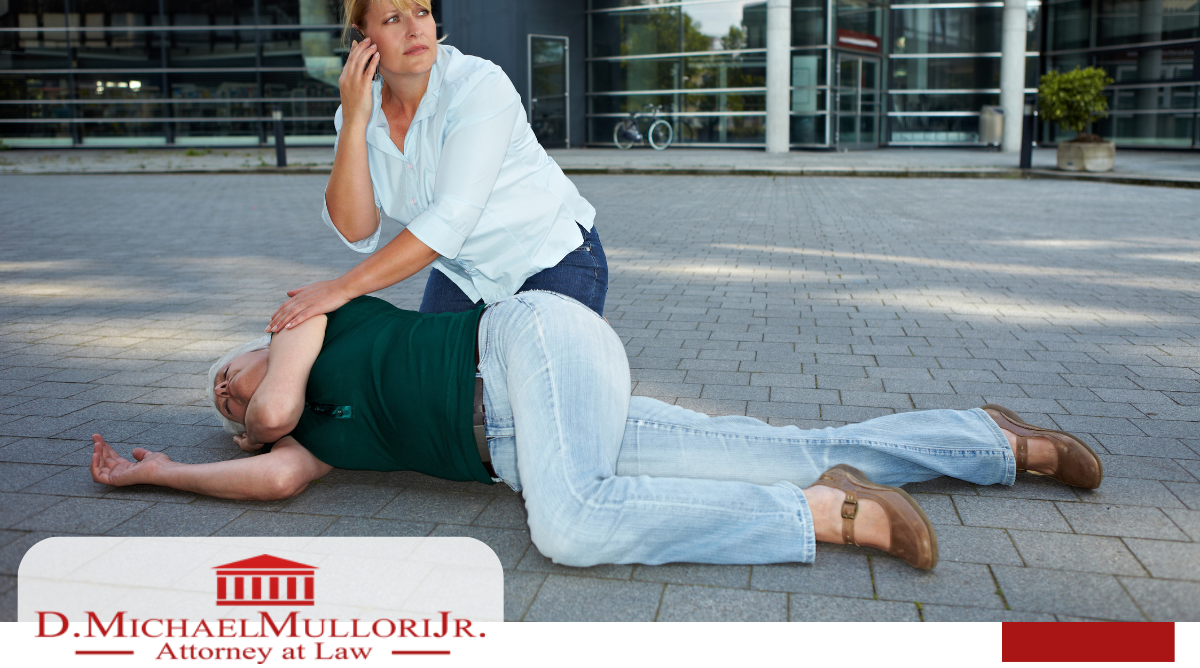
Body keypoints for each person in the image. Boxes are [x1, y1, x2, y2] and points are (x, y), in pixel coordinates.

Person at [91, 292, 1103, 570]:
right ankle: (994, 442)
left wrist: (251, 413)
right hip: (549, 427)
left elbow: (269, 412)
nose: (229, 400)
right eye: (219, 405)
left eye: (220, 379)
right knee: (791, 439)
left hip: (531, 346)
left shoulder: (308, 317)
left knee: (567, 528)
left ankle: (831, 520)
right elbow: (273, 479)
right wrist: (161, 475)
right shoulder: (314, 445)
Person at [264, 0, 604, 336]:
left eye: (421, 12)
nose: (414, 30)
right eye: (393, 18)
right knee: (432, 386)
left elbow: (451, 216)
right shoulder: (359, 109)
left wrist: (341, 288)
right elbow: (357, 230)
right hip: (463, 272)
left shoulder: (477, 85)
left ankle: (585, 342)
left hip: (548, 256)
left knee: (523, 381)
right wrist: (354, 123)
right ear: (363, 34)